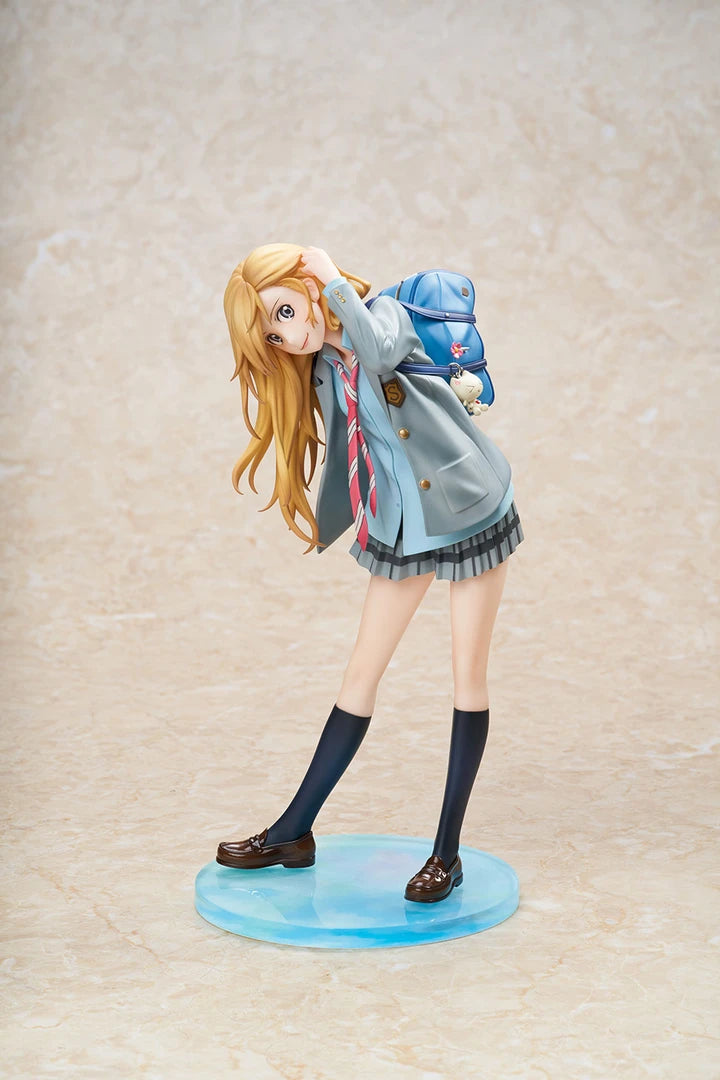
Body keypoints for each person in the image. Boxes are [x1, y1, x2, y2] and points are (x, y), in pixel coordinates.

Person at [217, 244, 524, 902]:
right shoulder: (325, 367)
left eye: (285, 312)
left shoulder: (384, 315)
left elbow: (381, 352)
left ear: (308, 284)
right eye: (273, 333)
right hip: (402, 525)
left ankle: (446, 855)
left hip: (469, 506)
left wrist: (332, 281)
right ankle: (293, 831)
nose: (287, 336)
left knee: (466, 676)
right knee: (360, 675)